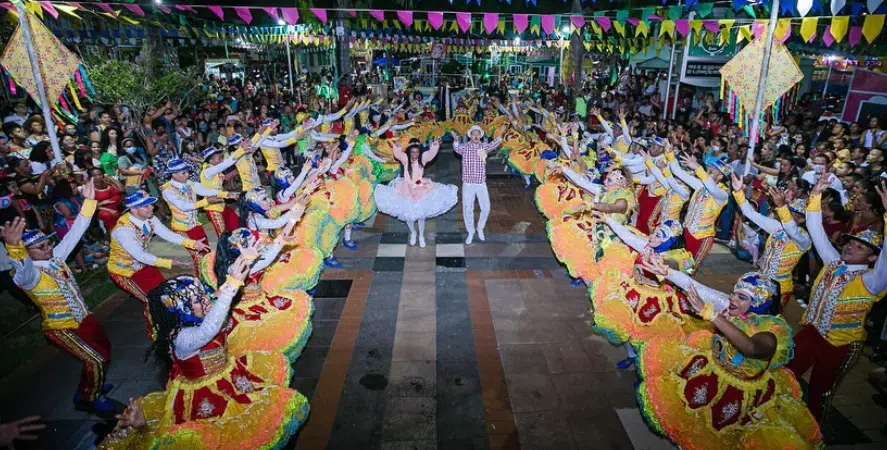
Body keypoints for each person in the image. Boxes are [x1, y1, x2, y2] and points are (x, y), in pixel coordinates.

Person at [97, 269, 309, 449]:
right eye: (197, 300)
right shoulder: (181, 338)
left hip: (230, 378)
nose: (205, 300)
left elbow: (218, 314)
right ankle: (140, 428)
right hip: (203, 394)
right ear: (182, 311)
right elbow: (209, 329)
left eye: (202, 294)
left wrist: (236, 271)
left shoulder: (198, 318)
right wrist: (232, 286)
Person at [634, 258, 822, 448]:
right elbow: (701, 289)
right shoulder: (734, 310)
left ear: (760, 303)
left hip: (741, 394)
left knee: (719, 438)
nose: (732, 298)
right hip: (711, 373)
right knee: (686, 418)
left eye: (742, 297)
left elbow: (751, 348)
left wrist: (710, 314)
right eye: (733, 293)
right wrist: (667, 273)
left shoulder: (772, 332)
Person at [1, 180, 119, 413]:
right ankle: (92, 398)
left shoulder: (55, 258)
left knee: (102, 354)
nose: (47, 249)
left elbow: (76, 231)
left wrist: (89, 202)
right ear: (27, 252)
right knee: (94, 359)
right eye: (41, 248)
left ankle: (87, 389)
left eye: (48, 244)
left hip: (84, 319)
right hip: (61, 327)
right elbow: (22, 270)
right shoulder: (29, 274)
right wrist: (15, 249)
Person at [788, 175, 887, 421]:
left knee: (820, 394)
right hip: (811, 332)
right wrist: (815, 195)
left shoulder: (872, 281)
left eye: (860, 247)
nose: (850, 247)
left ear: (873, 258)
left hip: (839, 345)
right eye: (851, 243)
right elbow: (815, 230)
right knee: (785, 374)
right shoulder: (833, 262)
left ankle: (813, 436)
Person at [107, 190, 209, 335]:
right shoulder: (123, 230)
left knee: (163, 294)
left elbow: (167, 234)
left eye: (150, 204)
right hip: (124, 271)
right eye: (146, 206)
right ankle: (158, 333)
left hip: (142, 265)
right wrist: (170, 263)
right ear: (133, 209)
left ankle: (172, 322)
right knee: (152, 301)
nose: (151, 208)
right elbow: (140, 255)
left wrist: (192, 243)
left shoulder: (150, 219)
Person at [731, 175, 811, 309]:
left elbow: (792, 230)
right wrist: (739, 192)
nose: (787, 214)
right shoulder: (777, 227)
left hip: (779, 287)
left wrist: (782, 207)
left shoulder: (804, 239)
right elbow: (750, 214)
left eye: (793, 213)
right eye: (788, 211)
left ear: (802, 220)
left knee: (770, 320)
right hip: (760, 280)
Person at [374, 138, 457, 248]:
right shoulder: (405, 159)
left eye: (417, 151)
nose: (415, 154)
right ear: (409, 152)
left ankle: (421, 236)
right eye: (413, 152)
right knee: (408, 214)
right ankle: (413, 232)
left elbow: (431, 154)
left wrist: (435, 145)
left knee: (420, 215)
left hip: (420, 188)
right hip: (406, 189)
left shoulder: (422, 159)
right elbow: (398, 154)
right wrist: (397, 146)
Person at [161, 159, 235, 268]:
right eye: (184, 173)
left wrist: (226, 194)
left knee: (207, 253)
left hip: (196, 225)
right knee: (199, 258)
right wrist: (206, 201)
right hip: (183, 229)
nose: (187, 175)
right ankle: (203, 279)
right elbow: (183, 206)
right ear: (174, 174)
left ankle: (210, 276)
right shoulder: (168, 191)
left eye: (188, 172)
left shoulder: (189, 183)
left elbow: (205, 191)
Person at [452, 125, 503, 244]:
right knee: (467, 208)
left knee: (486, 207)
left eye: (478, 134)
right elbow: (457, 149)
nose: (476, 136)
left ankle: (480, 228)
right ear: (470, 136)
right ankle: (470, 231)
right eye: (473, 134)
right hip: (468, 183)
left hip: (480, 183)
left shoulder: (484, 147)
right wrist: (455, 140)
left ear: (480, 136)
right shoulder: (465, 147)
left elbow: (494, 144)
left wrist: (500, 135)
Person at [200, 144, 253, 236]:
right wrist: (240, 150)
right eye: (218, 158)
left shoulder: (213, 169)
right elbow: (227, 162)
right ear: (210, 160)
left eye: (221, 157)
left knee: (236, 225)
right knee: (223, 235)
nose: (221, 160)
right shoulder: (208, 172)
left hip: (221, 204)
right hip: (213, 209)